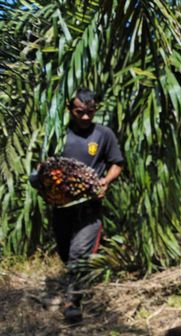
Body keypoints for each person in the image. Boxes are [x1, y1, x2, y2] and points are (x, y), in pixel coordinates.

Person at [51, 88, 124, 322]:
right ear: (70, 110)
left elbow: (117, 164)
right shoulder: (58, 134)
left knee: (78, 253)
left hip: (89, 209)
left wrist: (105, 182)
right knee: (65, 252)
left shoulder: (104, 135)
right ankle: (78, 287)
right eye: (80, 112)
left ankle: (73, 303)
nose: (85, 117)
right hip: (62, 208)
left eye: (90, 112)